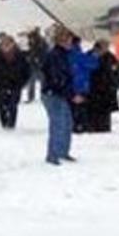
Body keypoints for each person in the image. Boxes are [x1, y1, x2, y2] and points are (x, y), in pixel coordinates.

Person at [41, 26, 79, 165]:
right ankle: (52, 155)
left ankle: (63, 151)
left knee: (67, 123)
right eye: (68, 40)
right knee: (57, 124)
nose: (71, 43)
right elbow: (57, 78)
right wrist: (71, 94)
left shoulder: (63, 55)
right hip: (53, 95)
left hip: (61, 94)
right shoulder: (55, 56)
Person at [0, 36, 32, 129]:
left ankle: (11, 123)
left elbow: (27, 70)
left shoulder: (20, 56)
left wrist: (22, 82)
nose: (6, 46)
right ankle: (4, 122)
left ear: (13, 44)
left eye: (8, 44)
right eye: (4, 44)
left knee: (13, 104)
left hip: (16, 84)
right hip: (1, 84)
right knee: (1, 104)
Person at [85, 40, 119, 133]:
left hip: (106, 91)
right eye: (105, 46)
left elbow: (116, 71)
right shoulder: (89, 56)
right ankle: (91, 128)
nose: (106, 49)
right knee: (92, 112)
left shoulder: (110, 57)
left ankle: (104, 128)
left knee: (105, 114)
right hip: (93, 90)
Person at [68, 36, 99, 133]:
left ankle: (73, 125)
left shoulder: (67, 54)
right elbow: (93, 64)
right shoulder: (79, 54)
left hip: (70, 86)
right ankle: (80, 126)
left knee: (72, 109)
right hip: (82, 86)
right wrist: (95, 56)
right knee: (81, 109)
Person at [24, 27, 47, 103]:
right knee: (31, 82)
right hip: (33, 66)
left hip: (40, 66)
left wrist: (38, 60)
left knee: (42, 82)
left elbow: (44, 53)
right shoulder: (32, 44)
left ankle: (43, 96)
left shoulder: (41, 43)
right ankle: (31, 97)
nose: (30, 40)